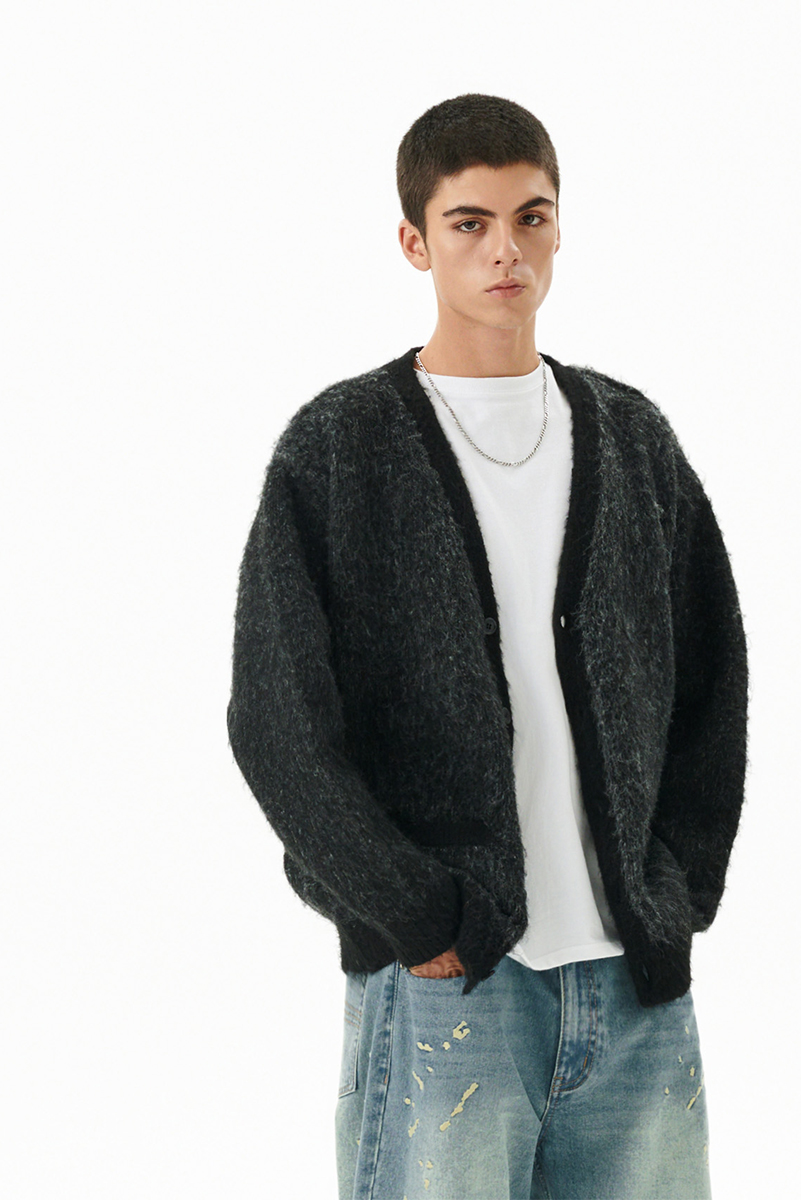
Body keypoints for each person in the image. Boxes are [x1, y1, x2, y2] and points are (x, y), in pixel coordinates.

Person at [227, 92, 749, 1200]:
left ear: (559, 227)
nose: (505, 249)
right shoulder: (339, 450)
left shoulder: (632, 437)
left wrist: (676, 889)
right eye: (469, 222)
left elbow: (715, 678)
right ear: (414, 241)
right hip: (448, 987)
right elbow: (277, 721)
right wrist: (414, 914)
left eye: (530, 216)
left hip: (634, 985)